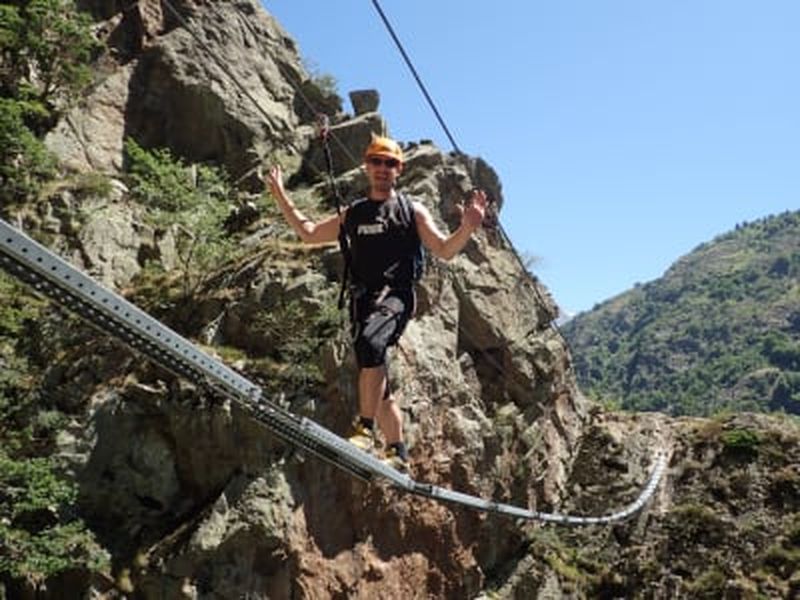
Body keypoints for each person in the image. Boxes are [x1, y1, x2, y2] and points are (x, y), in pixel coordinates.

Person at [266, 135, 486, 471]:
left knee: (371, 344)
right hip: (362, 300)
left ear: (400, 169)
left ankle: (364, 428)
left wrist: (467, 227)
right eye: (377, 162)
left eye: (390, 163)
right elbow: (309, 234)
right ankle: (398, 449)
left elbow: (443, 250)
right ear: (366, 166)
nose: (383, 169)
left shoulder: (412, 211)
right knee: (377, 377)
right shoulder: (354, 213)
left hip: (397, 295)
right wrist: (280, 195)